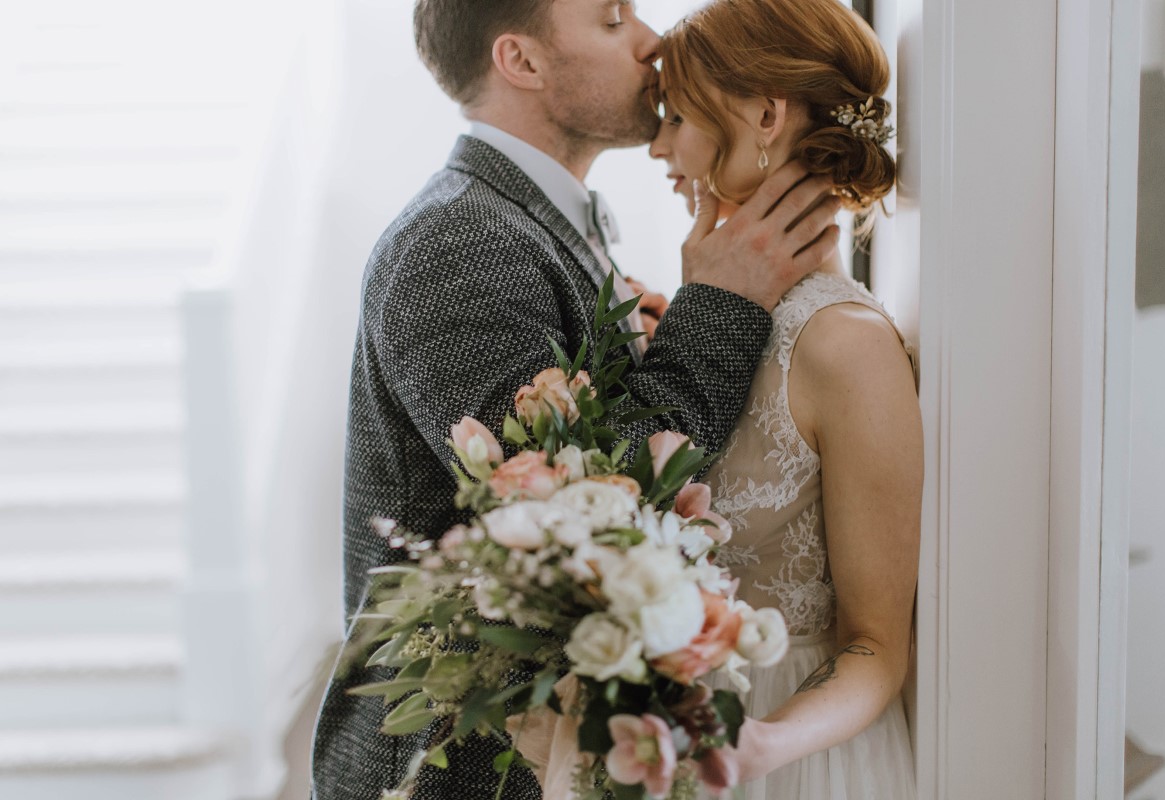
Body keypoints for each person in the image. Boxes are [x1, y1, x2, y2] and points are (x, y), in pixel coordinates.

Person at [308, 0, 844, 797]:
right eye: (611, 18)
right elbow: (587, 504)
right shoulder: (458, 241)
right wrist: (719, 306)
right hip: (463, 769)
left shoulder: (528, 222)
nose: (652, 39)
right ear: (521, 61)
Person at [649, 0, 921, 796]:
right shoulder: (710, 308)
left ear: (765, 115)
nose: (659, 145)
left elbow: (876, 648)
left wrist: (762, 746)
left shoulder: (846, 345)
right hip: (679, 734)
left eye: (675, 116)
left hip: (791, 756)